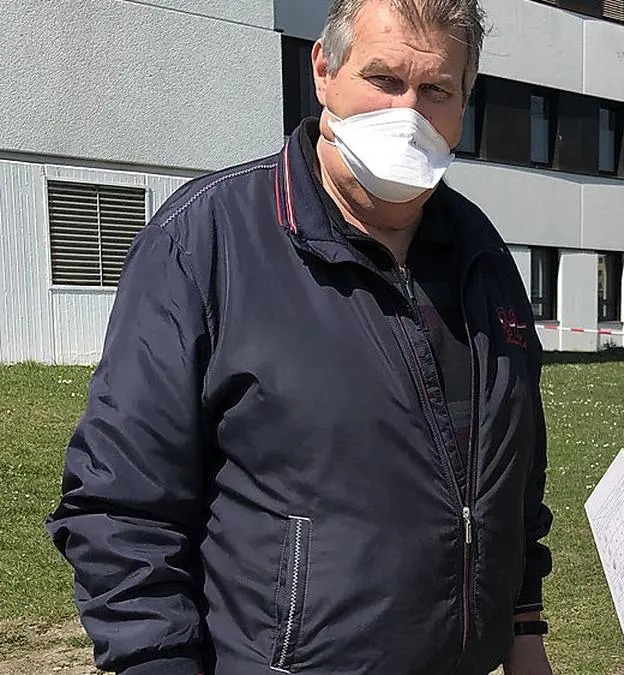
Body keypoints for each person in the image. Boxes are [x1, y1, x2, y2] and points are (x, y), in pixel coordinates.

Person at [46, 1, 553, 673]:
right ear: (323, 70)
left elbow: (515, 478)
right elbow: (120, 507)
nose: (407, 112)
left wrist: (525, 633)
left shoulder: (481, 256)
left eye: (434, 90)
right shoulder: (206, 244)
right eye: (383, 79)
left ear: (464, 101)